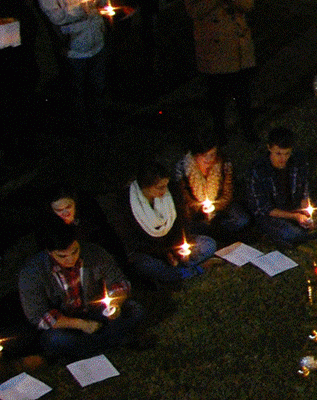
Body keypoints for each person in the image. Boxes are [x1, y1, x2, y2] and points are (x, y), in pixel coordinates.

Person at [18, 220, 144, 362]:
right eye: (62, 256)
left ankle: (89, 348)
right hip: (67, 324)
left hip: (96, 311)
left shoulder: (94, 253)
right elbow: (38, 315)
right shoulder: (32, 272)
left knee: (134, 309)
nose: (71, 259)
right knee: (55, 340)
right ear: (49, 252)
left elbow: (119, 282)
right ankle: (112, 341)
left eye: (75, 251)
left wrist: (116, 303)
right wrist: (81, 324)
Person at [184, 0, 256, 142]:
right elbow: (195, 11)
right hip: (215, 51)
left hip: (237, 47)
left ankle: (248, 130)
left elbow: (249, 5)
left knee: (243, 95)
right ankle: (220, 133)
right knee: (217, 98)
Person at [37, 0, 113, 124]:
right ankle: (79, 125)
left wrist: (101, 1)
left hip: (97, 40)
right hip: (73, 46)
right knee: (75, 89)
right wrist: (80, 10)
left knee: (98, 86)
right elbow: (54, 15)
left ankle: (98, 121)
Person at [109, 162, 216, 283]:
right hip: (151, 252)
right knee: (145, 264)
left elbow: (181, 223)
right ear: (145, 186)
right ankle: (193, 270)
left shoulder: (172, 192)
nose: (165, 190)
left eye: (166, 185)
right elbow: (134, 242)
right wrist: (165, 254)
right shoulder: (127, 204)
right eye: (160, 187)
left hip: (173, 244)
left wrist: (177, 250)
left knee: (208, 244)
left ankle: (178, 273)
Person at [247, 127, 317, 246]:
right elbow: (263, 207)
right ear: (269, 148)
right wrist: (295, 217)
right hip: (272, 214)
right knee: (291, 233)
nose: (283, 158)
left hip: (294, 206)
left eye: (287, 154)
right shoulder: (258, 170)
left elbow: (304, 189)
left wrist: (306, 212)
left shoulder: (298, 161)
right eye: (278, 153)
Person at [174, 131, 248, 239]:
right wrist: (200, 209)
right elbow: (184, 196)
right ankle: (212, 233)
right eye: (205, 156)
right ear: (196, 155)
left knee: (241, 220)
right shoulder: (183, 168)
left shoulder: (223, 164)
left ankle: (215, 231)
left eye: (212, 154)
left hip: (220, 207)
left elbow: (228, 192)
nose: (209, 159)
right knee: (188, 227)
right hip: (196, 212)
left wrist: (215, 207)